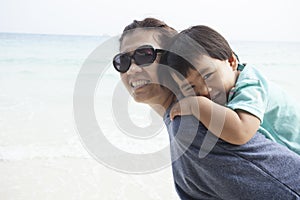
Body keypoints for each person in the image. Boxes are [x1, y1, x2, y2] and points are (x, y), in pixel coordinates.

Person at [113, 18, 300, 199]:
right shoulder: (186, 119)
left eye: (144, 54)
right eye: (122, 61)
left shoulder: (195, 125)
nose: (132, 69)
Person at [165, 25, 300, 155]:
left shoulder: (251, 84)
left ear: (231, 62)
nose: (204, 91)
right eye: (191, 87)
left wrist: (196, 104)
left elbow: (242, 132)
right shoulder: (224, 88)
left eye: (207, 76)